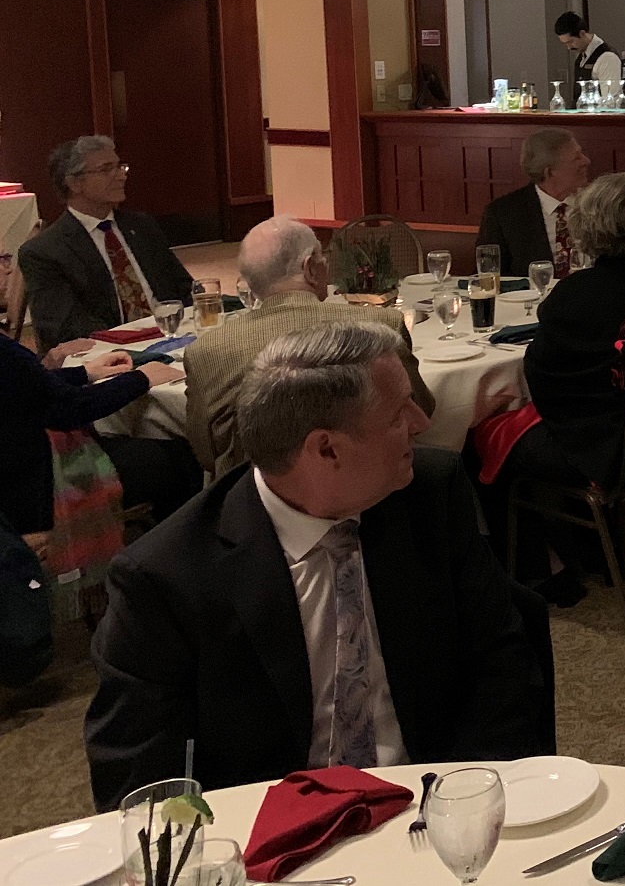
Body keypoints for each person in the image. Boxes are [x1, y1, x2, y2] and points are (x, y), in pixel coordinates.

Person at [85, 322, 549, 809]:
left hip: (435, 800)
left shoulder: (430, 495)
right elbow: (138, 779)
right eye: (398, 413)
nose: (420, 422)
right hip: (274, 827)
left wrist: (466, 801)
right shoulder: (167, 576)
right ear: (326, 448)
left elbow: (502, 660)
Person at [183, 216, 434, 478]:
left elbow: (206, 453)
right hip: (372, 482)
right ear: (310, 268)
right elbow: (420, 412)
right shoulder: (382, 325)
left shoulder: (205, 351)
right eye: (323, 259)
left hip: (254, 494)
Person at [509, 173, 625, 496]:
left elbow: (540, 376)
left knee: (495, 445)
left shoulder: (574, 296)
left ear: (585, 227)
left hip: (609, 454)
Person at [0, 335, 190, 542]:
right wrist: (141, 378)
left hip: (19, 478)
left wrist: (85, 373)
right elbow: (69, 409)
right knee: (180, 454)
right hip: (34, 492)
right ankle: (176, 549)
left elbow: (25, 385)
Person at [18, 136, 194, 347]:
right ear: (74, 183)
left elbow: (184, 288)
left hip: (172, 335)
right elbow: (64, 326)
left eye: (120, 167)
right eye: (106, 169)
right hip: (110, 350)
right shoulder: (45, 251)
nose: (121, 176)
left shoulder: (141, 226)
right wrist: (133, 340)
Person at [475, 128, 591, 281]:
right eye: (577, 158)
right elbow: (488, 274)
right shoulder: (503, 213)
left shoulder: (598, 204)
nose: (586, 161)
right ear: (549, 172)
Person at [556, 12, 622, 97]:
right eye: (565, 44)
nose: (569, 47)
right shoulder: (582, 57)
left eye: (571, 42)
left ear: (582, 33)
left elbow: (610, 99)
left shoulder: (607, 58)